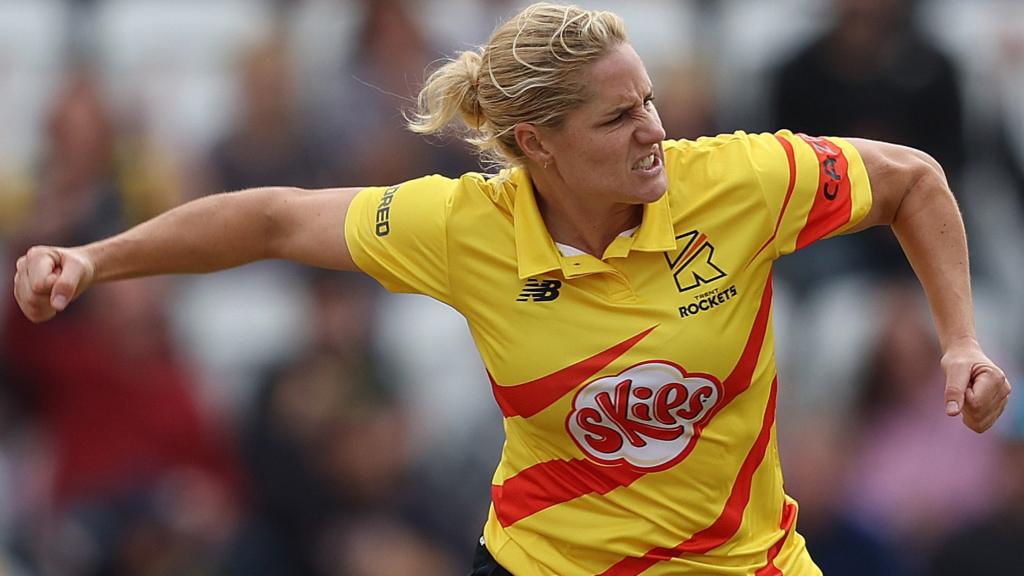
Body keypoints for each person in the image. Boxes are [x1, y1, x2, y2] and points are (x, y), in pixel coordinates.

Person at [12, 3, 1012, 575]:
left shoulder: (736, 181)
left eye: (650, 99)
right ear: (536, 145)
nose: (654, 129)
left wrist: (958, 339)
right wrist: (97, 260)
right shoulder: (464, 226)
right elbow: (271, 218)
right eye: (618, 118)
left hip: (741, 564)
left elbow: (913, 180)